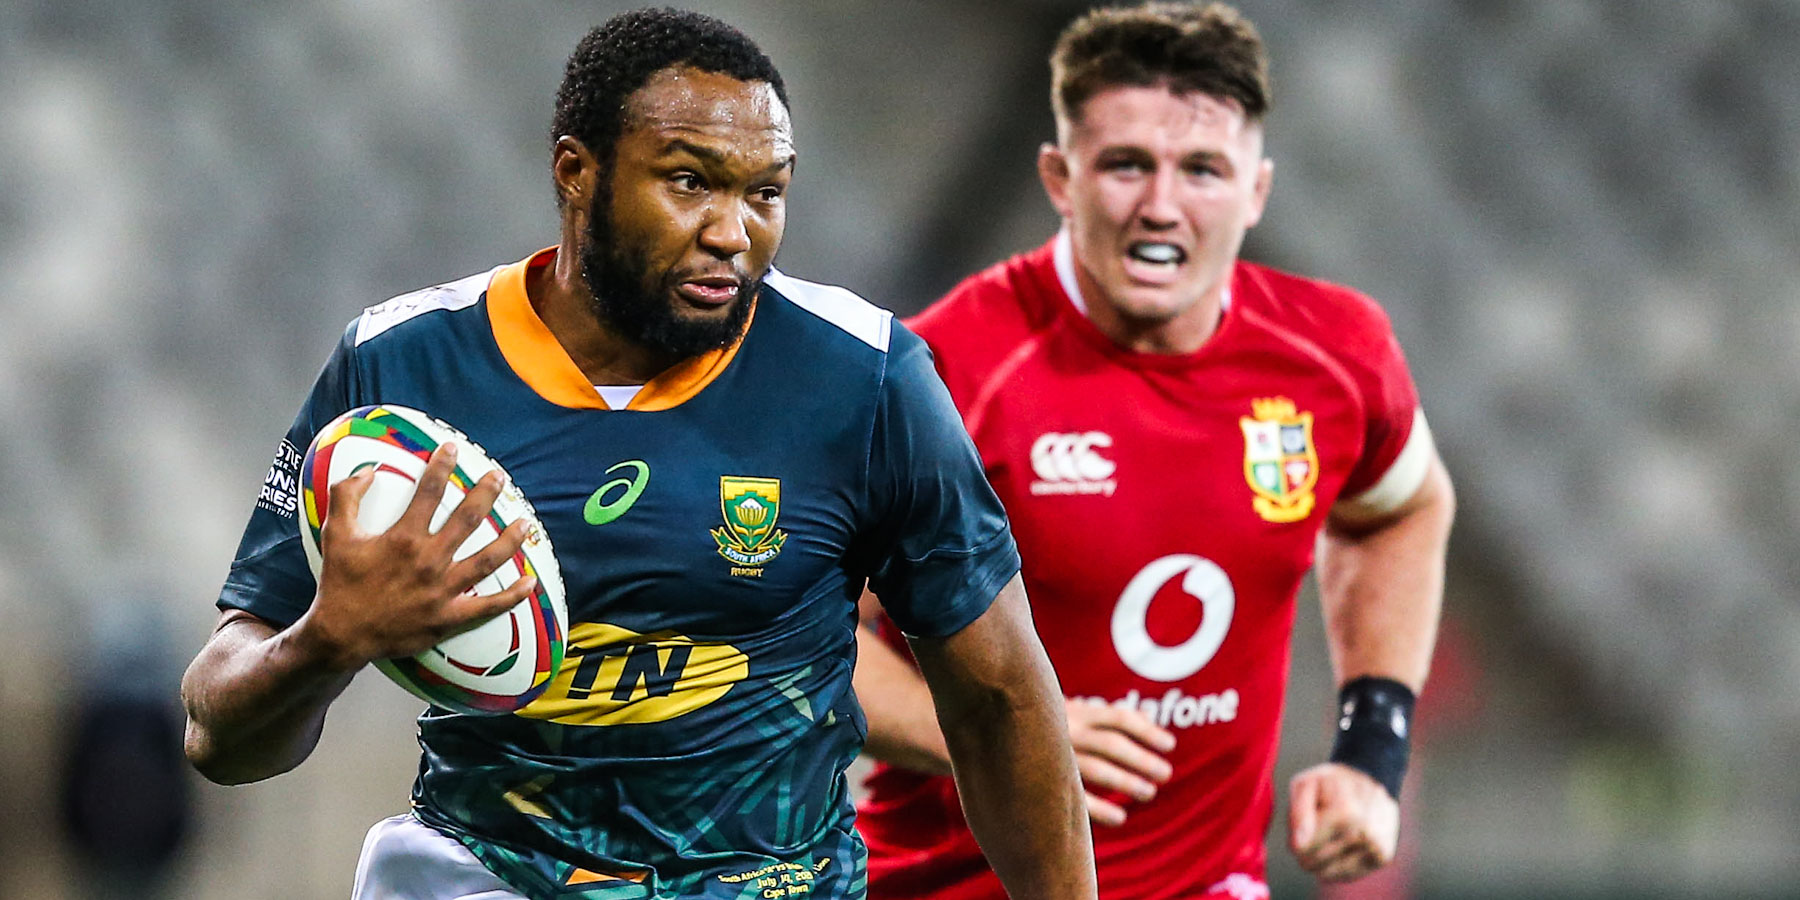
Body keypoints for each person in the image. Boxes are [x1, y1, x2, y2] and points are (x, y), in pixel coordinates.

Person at [180, 10, 1097, 900]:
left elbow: (1003, 702)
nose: (732, 233)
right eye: (690, 182)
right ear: (576, 173)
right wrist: (325, 643)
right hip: (488, 875)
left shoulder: (865, 377)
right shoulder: (400, 368)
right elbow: (217, 737)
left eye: (765, 192)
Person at [852, 3, 1455, 898]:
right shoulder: (944, 375)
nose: (1161, 207)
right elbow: (795, 633)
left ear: (1257, 190)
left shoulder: (1335, 354)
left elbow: (1402, 508)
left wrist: (1373, 748)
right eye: (1126, 164)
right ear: (1061, 178)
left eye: (1202, 169)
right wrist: (1016, 729)